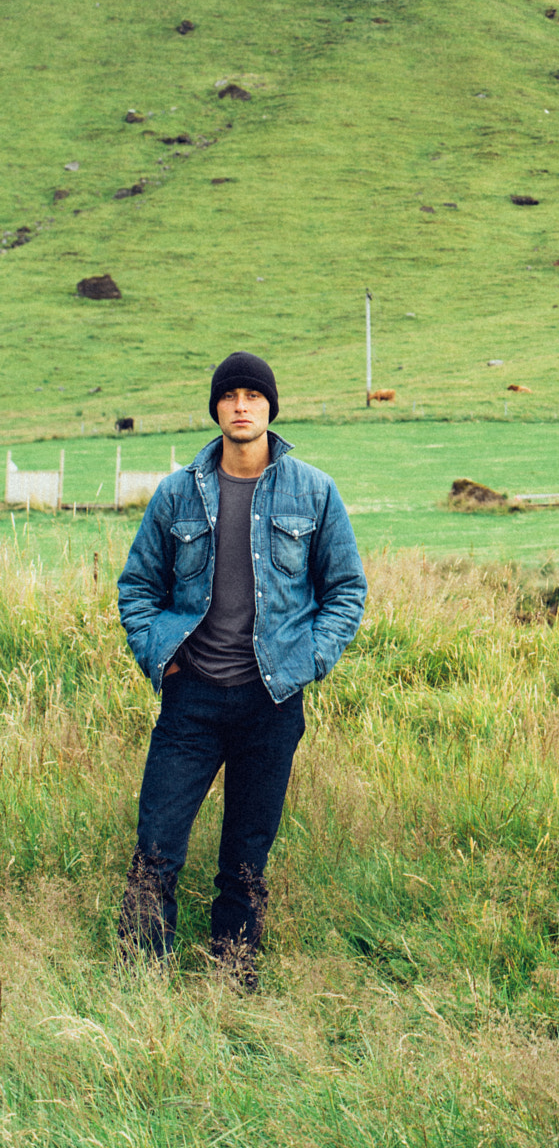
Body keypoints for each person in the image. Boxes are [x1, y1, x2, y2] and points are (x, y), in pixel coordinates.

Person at [116, 352, 367, 986]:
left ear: (270, 407)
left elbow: (346, 590)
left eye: (253, 394)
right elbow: (138, 587)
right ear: (217, 408)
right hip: (191, 702)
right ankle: (142, 979)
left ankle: (233, 976)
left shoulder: (314, 489)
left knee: (246, 857)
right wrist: (160, 658)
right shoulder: (178, 493)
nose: (241, 405)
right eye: (230, 395)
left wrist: (310, 659)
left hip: (270, 703)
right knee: (157, 848)